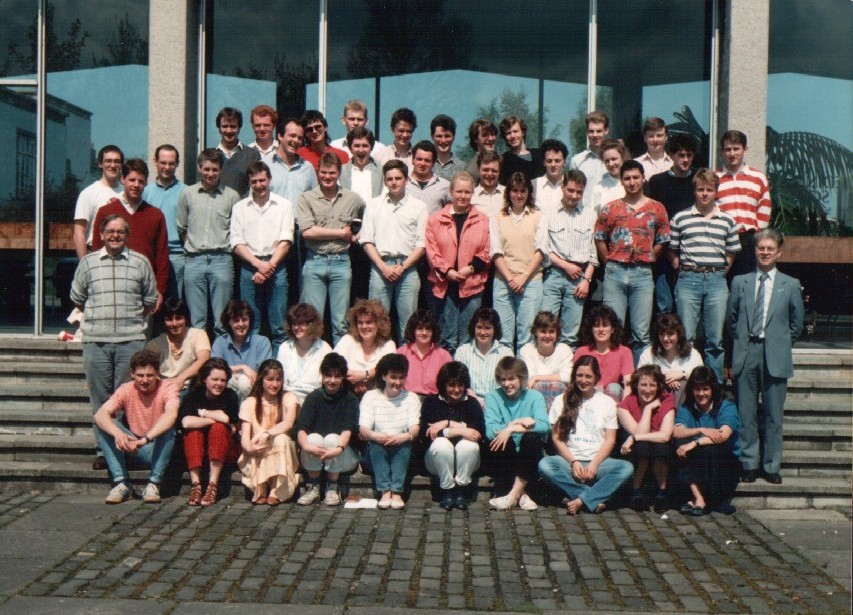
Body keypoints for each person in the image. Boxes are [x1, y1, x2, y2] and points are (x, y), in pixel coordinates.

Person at [71, 214, 158, 470]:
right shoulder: (88, 263)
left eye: (120, 232)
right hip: (96, 341)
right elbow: (78, 297)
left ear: (127, 235)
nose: (115, 235)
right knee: (100, 399)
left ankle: (124, 449)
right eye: (110, 231)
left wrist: (130, 322)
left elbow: (150, 301)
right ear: (101, 234)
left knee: (125, 400)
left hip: (130, 342)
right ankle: (103, 451)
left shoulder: (140, 262)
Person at [728, 228, 803, 485]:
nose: (765, 252)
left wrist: (780, 344)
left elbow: (796, 325)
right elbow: (732, 319)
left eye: (770, 248)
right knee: (746, 412)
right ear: (755, 251)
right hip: (747, 352)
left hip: (775, 354)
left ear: (779, 252)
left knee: (773, 415)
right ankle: (748, 463)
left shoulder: (790, 285)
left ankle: (771, 465)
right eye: (761, 248)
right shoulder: (740, 282)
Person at [595, 160, 670, 363]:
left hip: (642, 273)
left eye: (636, 177)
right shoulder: (610, 209)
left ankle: (641, 379)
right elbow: (600, 237)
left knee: (641, 333)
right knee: (612, 329)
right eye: (627, 178)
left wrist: (648, 256)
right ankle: (614, 377)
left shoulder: (657, 208)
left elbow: (663, 240)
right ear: (621, 181)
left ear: (643, 178)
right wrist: (608, 261)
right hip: (615, 272)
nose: (632, 182)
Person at [668, 170, 740, 382]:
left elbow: (732, 250)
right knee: (686, 336)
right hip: (689, 278)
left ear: (716, 192)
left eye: (709, 190)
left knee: (714, 339)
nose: (705, 194)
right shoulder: (681, 218)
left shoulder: (727, 220)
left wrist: (720, 271)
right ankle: (687, 384)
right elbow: (672, 248)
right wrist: (679, 267)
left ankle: (714, 388)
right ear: (695, 191)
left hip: (716, 280)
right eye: (701, 189)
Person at [538, 356, 634, 515]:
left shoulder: (607, 402)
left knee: (626, 468)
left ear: (596, 377)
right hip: (568, 462)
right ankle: (593, 497)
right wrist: (574, 462)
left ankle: (581, 499)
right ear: (574, 376)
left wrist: (594, 465)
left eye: (588, 376)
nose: (583, 380)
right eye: (579, 375)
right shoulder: (561, 400)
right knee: (545, 465)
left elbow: (610, 439)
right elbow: (556, 437)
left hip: (598, 463)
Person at [93, 349, 179, 504]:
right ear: (132, 374)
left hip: (156, 446)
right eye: (140, 375)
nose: (145, 380)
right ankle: (121, 484)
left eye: (149, 375)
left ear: (157, 374)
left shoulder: (168, 387)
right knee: (105, 425)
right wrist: (118, 435)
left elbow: (171, 415)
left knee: (169, 429)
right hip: (133, 446)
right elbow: (100, 415)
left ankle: (153, 484)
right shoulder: (126, 389)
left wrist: (146, 439)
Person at [297, 152, 366, 345]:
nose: (327, 177)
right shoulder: (306, 198)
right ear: (318, 172)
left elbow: (366, 217)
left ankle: (340, 369)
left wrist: (356, 234)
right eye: (324, 173)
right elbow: (308, 232)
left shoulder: (353, 199)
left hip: (341, 262)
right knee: (312, 320)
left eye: (332, 173)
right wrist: (341, 234)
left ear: (339, 173)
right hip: (314, 261)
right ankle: (314, 367)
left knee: (341, 323)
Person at [360, 159, 429, 341]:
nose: (394, 182)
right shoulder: (373, 205)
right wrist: (383, 267)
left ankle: (405, 366)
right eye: (389, 179)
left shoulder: (419, 207)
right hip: (380, 268)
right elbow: (367, 240)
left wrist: (402, 267)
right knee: (377, 322)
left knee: (408, 324)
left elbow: (422, 245)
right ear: (384, 181)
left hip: (408, 269)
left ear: (406, 180)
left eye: (398, 178)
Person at [230, 160, 294, 353]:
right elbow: (237, 243)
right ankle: (254, 370)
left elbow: (286, 240)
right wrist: (259, 265)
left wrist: (268, 266)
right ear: (249, 182)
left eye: (262, 180)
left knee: (278, 326)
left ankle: (276, 372)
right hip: (249, 268)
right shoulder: (240, 207)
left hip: (277, 266)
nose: (259, 185)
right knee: (251, 324)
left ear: (269, 179)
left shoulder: (284, 205)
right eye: (254, 181)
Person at [91, 158, 169, 313]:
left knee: (141, 335)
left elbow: (162, 256)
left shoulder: (155, 215)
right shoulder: (106, 212)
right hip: (110, 285)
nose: (136, 185)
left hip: (143, 288)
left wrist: (160, 290)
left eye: (141, 181)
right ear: (122, 179)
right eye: (132, 180)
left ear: (146, 183)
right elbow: (96, 251)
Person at [176, 148, 240, 337]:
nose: (210, 173)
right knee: (197, 321)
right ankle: (200, 363)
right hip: (194, 260)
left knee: (222, 321)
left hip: (222, 260)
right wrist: (195, 247)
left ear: (221, 170)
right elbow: (182, 227)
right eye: (207, 169)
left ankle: (220, 361)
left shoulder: (232, 196)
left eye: (215, 169)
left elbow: (236, 230)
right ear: (199, 169)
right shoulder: (187, 194)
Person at [426, 172, 491, 352]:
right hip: (444, 284)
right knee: (446, 338)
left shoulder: (482, 220)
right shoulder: (436, 219)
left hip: (472, 284)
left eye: (467, 192)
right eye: (459, 192)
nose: (463, 196)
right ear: (451, 192)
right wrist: (447, 271)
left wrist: (469, 269)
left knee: (467, 338)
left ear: (472, 194)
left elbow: (487, 250)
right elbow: (432, 251)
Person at [489, 171, 547, 351]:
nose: (519, 195)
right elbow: (495, 251)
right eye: (514, 190)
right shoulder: (498, 217)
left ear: (529, 192)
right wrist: (510, 278)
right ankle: (506, 378)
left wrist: (523, 277)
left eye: (523, 191)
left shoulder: (538, 216)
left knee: (527, 338)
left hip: (530, 282)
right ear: (508, 193)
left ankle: (523, 378)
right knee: (504, 338)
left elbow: (540, 250)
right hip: (503, 282)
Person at [295, 352, 361, 506]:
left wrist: (338, 449)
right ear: (322, 376)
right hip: (314, 456)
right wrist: (306, 446)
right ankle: (313, 487)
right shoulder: (313, 398)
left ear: (343, 378)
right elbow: (301, 427)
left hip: (342, 454)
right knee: (312, 438)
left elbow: (347, 429)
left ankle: (332, 487)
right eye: (328, 375)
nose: (332, 380)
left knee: (332, 438)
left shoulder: (350, 399)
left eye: (337, 376)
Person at [541, 169, 598, 348]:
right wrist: (565, 266)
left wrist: (586, 280)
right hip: (553, 275)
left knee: (570, 333)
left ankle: (566, 374)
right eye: (570, 190)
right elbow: (544, 248)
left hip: (579, 279)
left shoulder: (590, 215)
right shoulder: (548, 213)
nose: (574, 195)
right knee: (546, 326)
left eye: (579, 192)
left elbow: (593, 255)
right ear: (562, 187)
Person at [673, 366, 741, 515]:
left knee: (709, 447)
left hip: (724, 463)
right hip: (697, 460)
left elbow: (723, 435)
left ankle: (704, 499)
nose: (701, 394)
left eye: (705, 389)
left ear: (712, 390)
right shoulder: (687, 407)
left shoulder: (726, 406)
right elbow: (677, 431)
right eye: (697, 389)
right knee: (679, 445)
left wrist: (695, 442)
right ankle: (698, 498)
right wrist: (701, 430)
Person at [485, 357, 549, 510]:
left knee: (531, 438)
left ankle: (512, 496)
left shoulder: (535, 397)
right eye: (502, 379)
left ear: (521, 378)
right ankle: (523, 494)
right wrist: (514, 423)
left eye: (511, 379)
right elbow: (490, 431)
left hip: (529, 453)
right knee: (501, 439)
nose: (506, 384)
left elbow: (544, 425)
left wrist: (512, 429)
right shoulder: (493, 397)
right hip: (505, 455)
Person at [419, 361, 485, 510]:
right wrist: (462, 429)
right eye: (451, 385)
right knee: (441, 444)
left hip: (467, 462)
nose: (456, 390)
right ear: (443, 385)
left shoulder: (472, 403)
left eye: (460, 385)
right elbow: (426, 433)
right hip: (437, 460)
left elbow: (478, 433)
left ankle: (461, 490)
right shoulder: (431, 402)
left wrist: (446, 424)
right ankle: (447, 490)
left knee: (468, 445)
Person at [359, 353, 421, 509]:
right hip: (376, 452)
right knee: (375, 445)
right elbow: (364, 430)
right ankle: (385, 490)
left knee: (405, 445)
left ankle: (397, 491)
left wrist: (404, 436)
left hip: (401, 449)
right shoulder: (370, 397)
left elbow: (415, 428)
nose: (398, 382)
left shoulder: (411, 398)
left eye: (401, 377)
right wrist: (376, 436)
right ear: (384, 376)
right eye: (393, 377)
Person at [647, 134, 699, 315]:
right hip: (663, 251)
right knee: (664, 303)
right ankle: (664, 341)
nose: (685, 160)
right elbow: (651, 217)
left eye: (689, 155)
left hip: (691, 250)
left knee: (687, 305)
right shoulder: (657, 182)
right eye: (681, 155)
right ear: (671, 155)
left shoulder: (698, 182)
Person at [179, 358, 240, 506]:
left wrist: (203, 413)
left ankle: (212, 485)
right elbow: (186, 422)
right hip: (198, 449)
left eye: (223, 380)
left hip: (224, 450)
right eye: (214, 379)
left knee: (219, 428)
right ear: (205, 379)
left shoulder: (230, 396)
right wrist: (215, 417)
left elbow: (226, 418)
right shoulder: (193, 395)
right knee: (193, 431)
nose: (219, 384)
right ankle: (196, 485)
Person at [238, 359, 299, 505]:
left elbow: (288, 423)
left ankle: (275, 489)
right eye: (270, 379)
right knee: (257, 440)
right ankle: (261, 487)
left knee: (281, 438)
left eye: (278, 379)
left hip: (282, 448)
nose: (275, 384)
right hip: (257, 450)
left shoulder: (288, 397)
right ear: (261, 379)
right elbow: (245, 437)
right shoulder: (250, 402)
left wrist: (267, 434)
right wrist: (249, 448)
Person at [617, 365, 676, 512]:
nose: (647, 390)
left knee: (660, 447)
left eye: (652, 385)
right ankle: (635, 492)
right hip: (638, 451)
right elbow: (640, 435)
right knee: (642, 446)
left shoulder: (666, 400)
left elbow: (665, 435)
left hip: (660, 448)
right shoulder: (624, 406)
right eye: (643, 384)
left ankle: (661, 494)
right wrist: (649, 409)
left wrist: (634, 437)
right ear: (636, 385)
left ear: (658, 387)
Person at [716, 130, 772, 278]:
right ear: (722, 152)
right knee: (723, 283)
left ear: (745, 149)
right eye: (728, 149)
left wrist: (757, 234)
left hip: (749, 239)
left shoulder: (758, 177)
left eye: (736, 149)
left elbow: (764, 208)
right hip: (722, 239)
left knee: (746, 284)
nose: (732, 153)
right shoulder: (715, 178)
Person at [142, 144, 188, 300]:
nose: (167, 167)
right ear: (155, 161)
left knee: (175, 305)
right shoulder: (145, 193)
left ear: (177, 164)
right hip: (152, 257)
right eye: (163, 162)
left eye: (171, 163)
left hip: (178, 256)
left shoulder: (186, 192)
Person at [637, 313, 704, 409]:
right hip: (654, 401)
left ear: (679, 333)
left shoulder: (692, 354)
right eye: (662, 334)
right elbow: (639, 378)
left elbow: (702, 378)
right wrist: (663, 379)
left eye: (670, 334)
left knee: (681, 384)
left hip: (684, 403)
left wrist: (683, 374)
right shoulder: (648, 353)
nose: (665, 339)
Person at [211, 300, 273, 402]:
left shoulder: (262, 342)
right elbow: (214, 369)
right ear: (229, 322)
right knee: (229, 381)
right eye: (236, 320)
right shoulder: (220, 342)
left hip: (254, 394)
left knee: (244, 383)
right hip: (225, 393)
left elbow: (265, 373)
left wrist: (237, 373)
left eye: (244, 320)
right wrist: (243, 367)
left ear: (250, 321)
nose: (241, 324)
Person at [334, 299, 397, 396]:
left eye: (368, 322)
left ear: (378, 323)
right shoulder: (348, 340)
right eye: (360, 322)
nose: (364, 326)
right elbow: (333, 363)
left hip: (380, 397)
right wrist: (354, 382)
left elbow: (388, 368)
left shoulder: (388, 344)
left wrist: (364, 375)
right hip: (349, 394)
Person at [145, 298, 211, 391]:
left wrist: (181, 378)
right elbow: (146, 368)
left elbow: (204, 359)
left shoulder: (198, 334)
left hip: (192, 387)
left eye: (179, 318)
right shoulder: (155, 344)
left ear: (186, 318)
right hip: (164, 388)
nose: (174, 323)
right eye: (169, 319)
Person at [453, 307, 513, 405]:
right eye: (479, 327)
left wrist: (488, 403)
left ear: (495, 330)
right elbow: (459, 383)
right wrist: (476, 400)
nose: (483, 332)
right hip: (468, 403)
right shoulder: (462, 352)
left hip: (498, 404)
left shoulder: (506, 353)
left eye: (488, 328)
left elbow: (509, 385)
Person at [573, 305, 634, 401]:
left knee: (613, 387)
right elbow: (574, 381)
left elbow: (628, 383)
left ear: (613, 329)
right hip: (587, 395)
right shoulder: (581, 352)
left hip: (613, 398)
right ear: (591, 329)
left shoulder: (624, 352)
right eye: (596, 325)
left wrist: (624, 407)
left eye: (605, 325)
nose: (601, 330)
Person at [73, 144, 124, 259]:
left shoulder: (126, 193)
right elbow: (79, 233)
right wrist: (84, 264)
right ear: (100, 164)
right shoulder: (88, 193)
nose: (112, 165)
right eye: (108, 161)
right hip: (96, 253)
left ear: (121, 165)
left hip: (123, 255)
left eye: (117, 161)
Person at [276, 303, 332, 405]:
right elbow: (280, 378)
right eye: (294, 323)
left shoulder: (325, 349)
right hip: (287, 399)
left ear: (311, 325)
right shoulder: (285, 347)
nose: (296, 327)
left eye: (301, 323)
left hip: (315, 401)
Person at [518, 311, 574, 411]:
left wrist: (537, 377)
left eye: (552, 331)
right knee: (537, 387)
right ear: (535, 332)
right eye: (543, 331)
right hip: (534, 405)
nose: (547, 336)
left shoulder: (564, 349)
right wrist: (535, 378)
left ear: (557, 333)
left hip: (560, 405)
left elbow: (569, 376)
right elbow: (529, 379)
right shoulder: (526, 350)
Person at [396, 309, 452, 397]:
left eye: (428, 329)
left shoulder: (444, 356)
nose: (424, 333)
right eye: (420, 328)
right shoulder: (401, 353)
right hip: (406, 400)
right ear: (413, 330)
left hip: (434, 401)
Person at [268, 117, 319, 207]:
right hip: (273, 220)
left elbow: (316, 202)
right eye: (292, 135)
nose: (296, 140)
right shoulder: (266, 165)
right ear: (280, 136)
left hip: (300, 221)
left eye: (300, 138)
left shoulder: (307, 168)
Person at [215, 106, 261, 197]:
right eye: (225, 126)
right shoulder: (210, 156)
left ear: (239, 128)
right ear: (219, 128)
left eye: (233, 126)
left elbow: (255, 186)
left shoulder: (252, 155)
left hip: (242, 209)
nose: (228, 131)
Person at [569, 110, 609, 196]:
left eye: (599, 131)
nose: (595, 135)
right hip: (585, 209)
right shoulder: (577, 160)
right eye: (591, 131)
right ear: (587, 132)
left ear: (606, 131)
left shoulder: (615, 160)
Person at [405, 140, 450, 215]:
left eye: (427, 160)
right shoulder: (403, 184)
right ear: (413, 160)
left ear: (433, 163)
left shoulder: (445, 186)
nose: (422, 163)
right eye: (419, 159)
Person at [340, 126, 383, 202]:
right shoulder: (341, 172)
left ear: (371, 148)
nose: (361, 150)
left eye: (365, 146)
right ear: (350, 148)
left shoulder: (381, 171)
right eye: (357, 146)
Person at [498, 115, 544, 185]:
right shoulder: (504, 160)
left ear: (523, 132)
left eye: (515, 131)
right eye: (508, 133)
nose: (512, 136)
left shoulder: (539, 155)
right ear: (505, 137)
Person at [588, 139, 629, 213]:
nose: (611, 164)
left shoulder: (633, 182)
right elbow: (593, 216)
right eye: (607, 161)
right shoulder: (599, 187)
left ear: (623, 157)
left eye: (614, 159)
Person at [533, 139, 569, 214]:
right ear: (544, 162)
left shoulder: (570, 186)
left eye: (557, 161)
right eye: (549, 161)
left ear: (564, 162)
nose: (553, 165)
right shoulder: (534, 185)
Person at [470, 150, 504, 219]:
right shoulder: (471, 196)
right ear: (478, 169)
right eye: (486, 170)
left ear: (499, 171)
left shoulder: (508, 194)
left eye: (494, 171)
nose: (489, 174)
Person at [463, 118, 498, 183]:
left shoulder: (501, 162)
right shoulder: (471, 170)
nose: (490, 138)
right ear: (475, 139)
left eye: (492, 134)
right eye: (485, 135)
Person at [431, 114, 465, 180]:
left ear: (454, 137)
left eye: (447, 136)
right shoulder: (425, 164)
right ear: (432, 137)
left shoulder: (462, 168)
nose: (443, 140)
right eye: (439, 136)